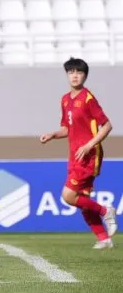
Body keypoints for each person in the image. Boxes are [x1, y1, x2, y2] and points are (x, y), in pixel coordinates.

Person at [39, 57, 116, 249]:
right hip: (74, 155)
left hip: (89, 155)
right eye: (71, 72)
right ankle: (103, 238)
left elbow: (107, 126)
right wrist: (52, 134)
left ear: (85, 76)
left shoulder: (88, 99)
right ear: (67, 75)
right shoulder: (65, 100)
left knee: (68, 196)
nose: (75, 75)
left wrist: (89, 145)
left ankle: (106, 210)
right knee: (81, 200)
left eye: (79, 72)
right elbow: (67, 128)